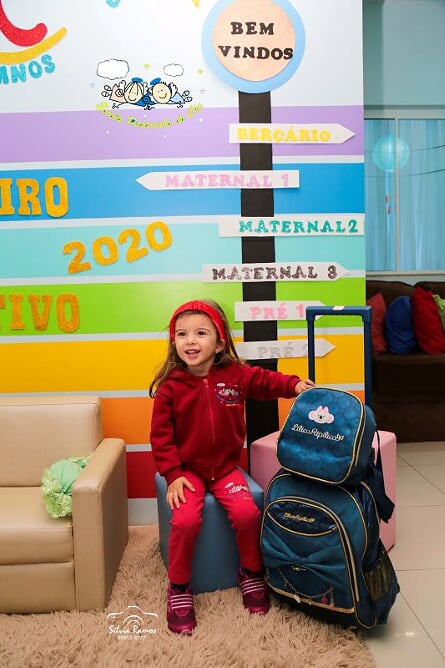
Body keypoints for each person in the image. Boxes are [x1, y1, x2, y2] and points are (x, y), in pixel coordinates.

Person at [149, 299, 315, 634]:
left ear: (219, 343)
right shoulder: (171, 388)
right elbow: (161, 437)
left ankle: (250, 572)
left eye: (200, 333)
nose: (190, 340)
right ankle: (179, 586)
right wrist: (173, 475)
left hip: (226, 469)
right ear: (173, 342)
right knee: (185, 520)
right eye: (182, 334)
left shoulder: (235, 375)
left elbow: (265, 381)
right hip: (188, 472)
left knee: (247, 513)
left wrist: (294, 385)